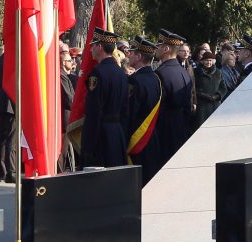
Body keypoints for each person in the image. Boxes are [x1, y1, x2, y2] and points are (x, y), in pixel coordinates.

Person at [80, 30, 128, 169]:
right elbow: (125, 110)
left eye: (93, 45)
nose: (90, 49)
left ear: (100, 47)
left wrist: (88, 146)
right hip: (117, 134)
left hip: (101, 136)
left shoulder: (97, 73)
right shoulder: (121, 73)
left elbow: (94, 111)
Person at [153, 30, 195, 164]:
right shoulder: (184, 73)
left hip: (164, 130)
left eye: (158, 45)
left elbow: (157, 107)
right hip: (181, 128)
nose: (156, 47)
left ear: (166, 49)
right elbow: (188, 106)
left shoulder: (160, 74)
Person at [126, 37, 164, 179]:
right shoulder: (156, 78)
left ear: (139, 56)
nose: (128, 55)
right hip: (152, 137)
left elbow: (130, 113)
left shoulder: (134, 80)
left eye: (132, 52)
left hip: (137, 139)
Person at [194, 51, 222, 123]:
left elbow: (223, 87)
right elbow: (194, 87)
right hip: (202, 106)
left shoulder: (218, 72)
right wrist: (203, 95)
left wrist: (217, 96)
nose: (208, 62)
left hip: (215, 105)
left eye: (210, 60)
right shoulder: (197, 72)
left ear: (213, 61)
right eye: (206, 60)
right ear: (203, 61)